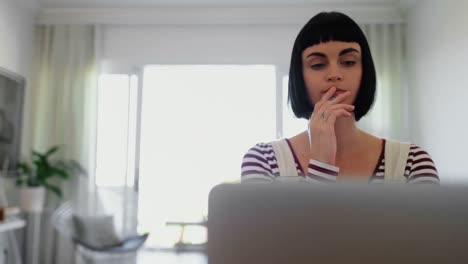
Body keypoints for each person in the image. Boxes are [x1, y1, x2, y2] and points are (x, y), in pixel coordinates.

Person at [241, 11, 439, 184]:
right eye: (318, 64)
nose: (334, 74)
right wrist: (321, 165)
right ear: (299, 77)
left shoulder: (412, 162)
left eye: (348, 62)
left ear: (365, 71)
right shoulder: (263, 161)